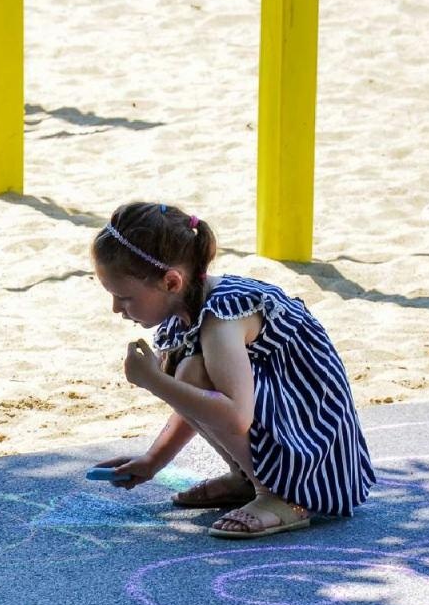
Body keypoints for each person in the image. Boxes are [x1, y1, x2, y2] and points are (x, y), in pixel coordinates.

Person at [92, 201, 374, 537]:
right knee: (186, 371)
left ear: (171, 282)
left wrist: (153, 381)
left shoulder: (223, 317)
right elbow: (197, 401)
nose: (116, 308)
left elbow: (235, 417)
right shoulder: (189, 310)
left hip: (317, 457)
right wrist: (154, 460)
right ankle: (247, 478)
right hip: (292, 431)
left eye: (124, 297)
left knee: (189, 373)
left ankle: (282, 497)